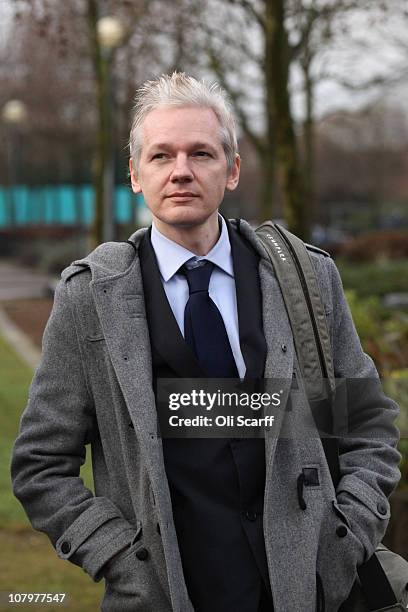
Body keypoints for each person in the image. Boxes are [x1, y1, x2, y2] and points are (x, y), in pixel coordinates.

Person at [11, 72, 400, 612]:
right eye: (161, 156)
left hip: (305, 593)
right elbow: (40, 465)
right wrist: (123, 560)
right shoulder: (91, 300)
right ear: (135, 175)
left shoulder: (306, 279)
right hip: (170, 595)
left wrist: (345, 537)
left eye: (201, 154)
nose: (181, 172)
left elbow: (367, 424)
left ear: (233, 169)